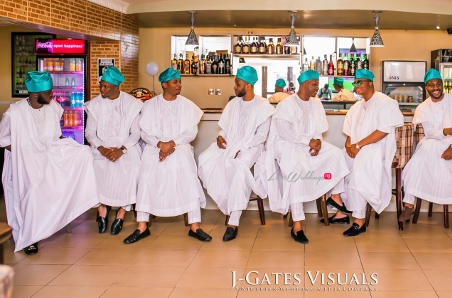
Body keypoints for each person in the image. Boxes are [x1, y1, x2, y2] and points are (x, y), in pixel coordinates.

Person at [0, 71, 99, 255]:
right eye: (48, 92)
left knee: (83, 153)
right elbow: (3, 140)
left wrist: (68, 148)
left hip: (46, 157)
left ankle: (52, 222)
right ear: (35, 94)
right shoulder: (14, 113)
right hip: (22, 164)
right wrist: (26, 153)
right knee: (32, 193)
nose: (52, 95)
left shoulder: (53, 107)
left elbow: (56, 134)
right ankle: (29, 238)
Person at [123, 68, 211, 244]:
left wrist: (171, 144)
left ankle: (195, 227)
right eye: (175, 82)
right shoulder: (149, 105)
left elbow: (191, 132)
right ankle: (142, 227)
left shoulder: (187, 105)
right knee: (146, 177)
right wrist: (159, 145)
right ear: (164, 84)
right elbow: (144, 132)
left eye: (179, 81)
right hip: (154, 148)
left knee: (188, 177)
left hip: (179, 148)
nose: (179, 85)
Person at [261, 70, 349, 244]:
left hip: (309, 144)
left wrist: (316, 142)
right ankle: (297, 225)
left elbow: (319, 127)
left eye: (317, 84)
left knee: (336, 153)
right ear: (303, 84)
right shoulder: (287, 104)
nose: (318, 87)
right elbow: (284, 132)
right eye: (314, 84)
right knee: (295, 173)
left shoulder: (316, 102)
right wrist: (308, 142)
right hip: (288, 146)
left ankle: (336, 196)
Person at [198, 66, 274, 241]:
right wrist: (220, 137)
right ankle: (227, 203)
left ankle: (233, 222)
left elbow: (261, 136)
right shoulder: (233, 103)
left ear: (247, 85)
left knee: (239, 169)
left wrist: (243, 146)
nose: (235, 87)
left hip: (253, 148)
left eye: (237, 84)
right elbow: (225, 128)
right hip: (231, 144)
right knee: (207, 159)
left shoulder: (263, 106)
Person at [329, 69, 403, 236]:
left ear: (370, 82)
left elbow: (383, 131)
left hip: (378, 148)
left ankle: (359, 220)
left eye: (360, 82)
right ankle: (339, 205)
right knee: (337, 158)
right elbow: (349, 131)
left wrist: (358, 146)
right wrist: (349, 145)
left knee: (359, 169)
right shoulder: (357, 106)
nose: (356, 86)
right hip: (359, 147)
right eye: (355, 83)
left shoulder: (385, 102)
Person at [399, 69, 452, 235]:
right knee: (415, 165)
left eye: (438, 84)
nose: (436, 88)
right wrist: (446, 131)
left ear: (442, 85)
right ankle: (409, 206)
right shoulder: (423, 107)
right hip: (434, 141)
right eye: (431, 85)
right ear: (426, 88)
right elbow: (429, 133)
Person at [84, 66, 143, 236]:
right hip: (101, 147)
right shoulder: (94, 105)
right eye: (101, 86)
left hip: (126, 147)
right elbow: (89, 132)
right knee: (95, 168)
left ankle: (121, 213)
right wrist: (101, 148)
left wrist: (121, 149)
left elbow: (136, 133)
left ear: (116, 87)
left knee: (132, 168)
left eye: (105, 87)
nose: (102, 89)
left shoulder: (132, 104)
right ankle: (102, 209)